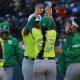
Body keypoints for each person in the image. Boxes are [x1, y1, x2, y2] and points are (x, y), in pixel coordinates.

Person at [33, 6, 57, 80]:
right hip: (51, 63)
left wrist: (36, 13)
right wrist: (49, 15)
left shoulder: (35, 31)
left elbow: (29, 25)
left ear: (40, 24)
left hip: (39, 62)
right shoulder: (53, 33)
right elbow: (53, 26)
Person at [22, 4, 43, 80]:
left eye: (39, 21)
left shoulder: (43, 32)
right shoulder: (25, 31)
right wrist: (36, 14)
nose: (38, 23)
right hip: (29, 62)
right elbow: (28, 28)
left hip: (41, 61)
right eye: (36, 21)